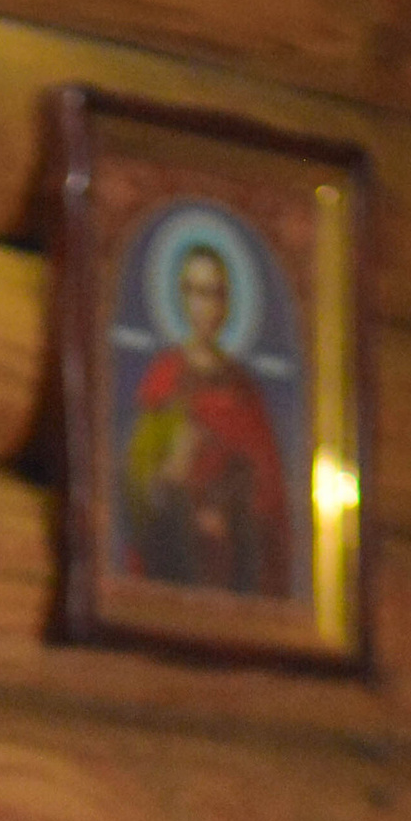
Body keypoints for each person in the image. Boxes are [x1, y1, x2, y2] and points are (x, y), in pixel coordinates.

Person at [121, 233, 294, 597]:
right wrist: (172, 475)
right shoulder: (165, 378)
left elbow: (270, 490)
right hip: (176, 557)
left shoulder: (244, 389)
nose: (205, 306)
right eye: (196, 292)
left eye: (214, 293)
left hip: (236, 563)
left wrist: (231, 507)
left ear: (227, 302)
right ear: (182, 298)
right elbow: (138, 480)